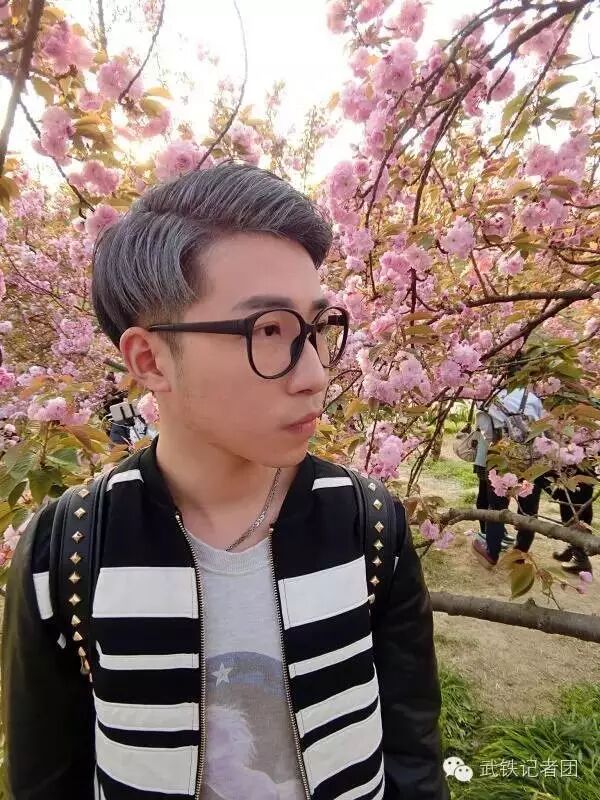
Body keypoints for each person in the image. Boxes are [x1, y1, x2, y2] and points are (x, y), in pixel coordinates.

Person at [2, 163, 448, 800]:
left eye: (316, 330)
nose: (314, 375)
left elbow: (413, 750)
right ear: (150, 360)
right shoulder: (68, 550)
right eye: (267, 330)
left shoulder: (367, 523)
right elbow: (46, 778)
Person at [471, 385, 543, 567]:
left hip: (501, 458)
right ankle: (520, 554)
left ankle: (492, 552)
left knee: (497, 507)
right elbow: (542, 427)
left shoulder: (488, 397)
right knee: (529, 509)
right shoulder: (532, 397)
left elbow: (486, 432)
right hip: (531, 459)